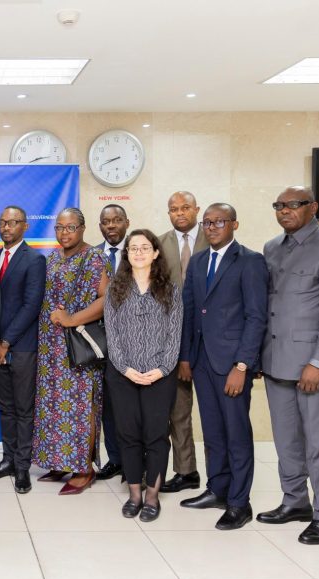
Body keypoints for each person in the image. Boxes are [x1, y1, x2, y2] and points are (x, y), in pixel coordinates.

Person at [258, 186, 319, 545]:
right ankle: (295, 501)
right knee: (286, 441)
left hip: (315, 367)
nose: (284, 211)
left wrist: (318, 361)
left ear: (313, 207)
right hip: (276, 362)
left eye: (293, 205)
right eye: (278, 205)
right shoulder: (271, 248)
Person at [178, 203, 268, 530]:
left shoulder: (250, 262)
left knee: (236, 433)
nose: (213, 227)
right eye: (208, 223)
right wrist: (186, 357)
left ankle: (238, 503)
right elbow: (189, 311)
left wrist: (242, 365)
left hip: (232, 364)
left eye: (220, 222)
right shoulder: (200, 261)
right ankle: (217, 489)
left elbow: (256, 317)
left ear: (234, 224)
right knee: (213, 432)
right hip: (202, 361)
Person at [104, 230, 182, 522]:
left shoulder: (171, 290)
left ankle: (152, 496)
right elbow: (112, 335)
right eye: (133, 248)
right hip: (123, 374)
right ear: (127, 254)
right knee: (128, 434)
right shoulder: (115, 288)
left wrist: (161, 370)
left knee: (156, 435)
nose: (138, 252)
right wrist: (126, 369)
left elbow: (175, 336)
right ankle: (135, 493)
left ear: (156, 253)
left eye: (144, 248)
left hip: (160, 376)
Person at [32, 208, 109, 495]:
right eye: (60, 228)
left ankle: (84, 469)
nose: (65, 233)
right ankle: (61, 461)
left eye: (71, 228)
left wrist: (72, 319)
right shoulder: (52, 258)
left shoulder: (95, 257)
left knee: (81, 407)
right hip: (50, 350)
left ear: (83, 228)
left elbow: (106, 299)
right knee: (53, 407)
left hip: (79, 348)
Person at [0, 206, 45, 494]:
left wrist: (5, 342)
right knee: (5, 408)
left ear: (25, 226)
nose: (6, 227)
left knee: (23, 410)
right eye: (2, 222)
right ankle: (7, 460)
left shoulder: (35, 260)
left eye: (13, 223)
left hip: (21, 348)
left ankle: (22, 468)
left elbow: (31, 306)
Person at [157, 191, 207, 493]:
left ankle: (222, 476)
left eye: (185, 207)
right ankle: (186, 471)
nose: (180, 213)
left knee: (217, 413)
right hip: (174, 338)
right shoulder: (159, 243)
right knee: (178, 410)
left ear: (196, 209)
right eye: (174, 209)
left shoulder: (213, 236)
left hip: (212, 337)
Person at [94, 203, 129, 481]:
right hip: (100, 345)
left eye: (117, 220)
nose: (111, 226)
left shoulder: (140, 252)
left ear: (126, 223)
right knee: (107, 408)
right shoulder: (93, 256)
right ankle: (115, 459)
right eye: (106, 222)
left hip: (134, 345)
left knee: (132, 408)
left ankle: (134, 463)